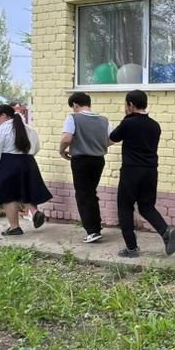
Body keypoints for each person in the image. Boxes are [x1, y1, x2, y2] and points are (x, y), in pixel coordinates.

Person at [108, 89, 175, 258]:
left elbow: (113, 137)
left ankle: (131, 248)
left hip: (131, 170)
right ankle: (165, 231)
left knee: (125, 207)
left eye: (126, 105)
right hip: (151, 171)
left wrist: (126, 118)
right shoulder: (155, 125)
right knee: (146, 206)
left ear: (130, 105)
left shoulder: (128, 123)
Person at [0, 104, 53, 236]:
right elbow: (36, 148)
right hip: (29, 162)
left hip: (8, 164)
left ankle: (14, 227)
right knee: (23, 190)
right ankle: (35, 212)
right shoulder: (30, 130)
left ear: (4, 115)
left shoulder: (1, 131)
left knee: (9, 195)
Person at [58, 91, 110, 244]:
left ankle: (92, 231)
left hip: (81, 160)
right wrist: (97, 145)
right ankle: (96, 226)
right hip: (98, 160)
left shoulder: (73, 117)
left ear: (75, 105)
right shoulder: (104, 120)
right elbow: (111, 139)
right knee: (90, 193)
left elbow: (67, 138)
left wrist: (61, 151)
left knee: (83, 194)